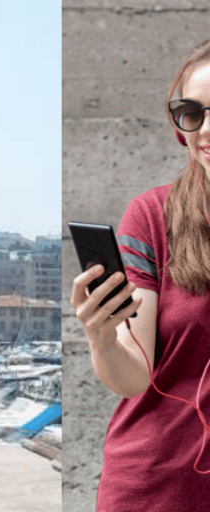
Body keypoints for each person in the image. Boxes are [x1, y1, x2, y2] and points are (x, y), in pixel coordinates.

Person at [70, 38, 210, 510]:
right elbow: (134, 377)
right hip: (158, 489)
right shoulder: (151, 217)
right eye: (193, 113)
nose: (205, 130)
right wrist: (103, 339)